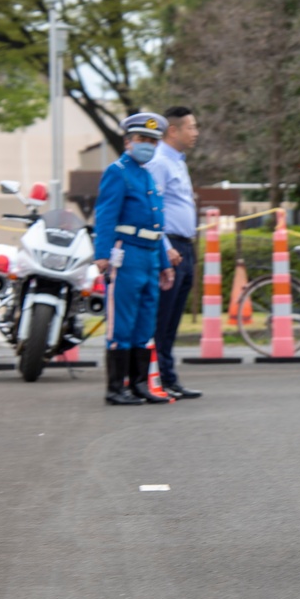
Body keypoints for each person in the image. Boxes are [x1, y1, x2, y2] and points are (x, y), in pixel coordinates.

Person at [94, 112, 175, 405]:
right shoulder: (118, 172)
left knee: (144, 323)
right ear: (128, 141)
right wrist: (102, 255)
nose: (148, 145)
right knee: (122, 323)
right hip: (126, 255)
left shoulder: (147, 176)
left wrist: (164, 264)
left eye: (153, 140)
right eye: (142, 139)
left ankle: (139, 384)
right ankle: (116, 388)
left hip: (150, 256)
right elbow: (105, 215)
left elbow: (157, 226)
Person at [145, 106, 204, 400]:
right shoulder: (160, 162)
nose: (196, 133)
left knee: (172, 321)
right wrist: (165, 248)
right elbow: (153, 210)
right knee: (162, 319)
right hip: (170, 249)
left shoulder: (178, 162)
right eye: (191, 127)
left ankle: (168, 378)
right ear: (173, 130)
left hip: (185, 247)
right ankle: (157, 378)